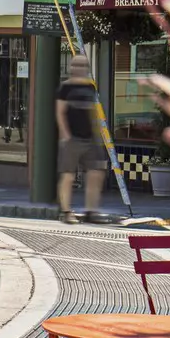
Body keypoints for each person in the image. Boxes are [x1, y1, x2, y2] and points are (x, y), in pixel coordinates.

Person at [56, 55, 109, 224]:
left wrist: (98, 134)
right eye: (77, 64)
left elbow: (94, 111)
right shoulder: (65, 88)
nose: (80, 67)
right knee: (68, 175)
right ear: (71, 67)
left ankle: (90, 211)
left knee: (96, 173)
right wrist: (65, 135)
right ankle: (66, 212)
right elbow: (60, 112)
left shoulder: (90, 88)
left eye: (83, 65)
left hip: (90, 139)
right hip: (72, 139)